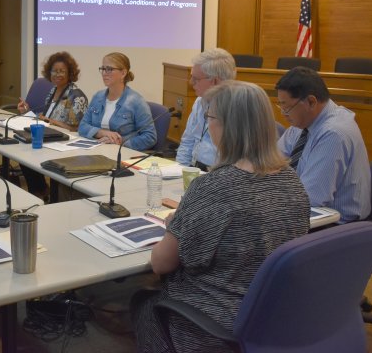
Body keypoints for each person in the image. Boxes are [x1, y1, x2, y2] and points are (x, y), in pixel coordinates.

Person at [131, 81, 310, 353]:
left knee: (143, 303)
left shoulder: (214, 187)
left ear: (229, 125)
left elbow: (161, 263)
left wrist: (178, 225)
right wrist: (185, 223)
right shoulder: (291, 180)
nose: (207, 126)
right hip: (274, 314)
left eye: (209, 118)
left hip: (215, 323)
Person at [275, 66, 371, 223]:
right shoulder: (304, 122)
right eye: (281, 107)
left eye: (287, 108)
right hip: (305, 207)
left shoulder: (333, 134)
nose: (283, 114)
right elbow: (273, 160)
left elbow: (308, 200)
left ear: (311, 102)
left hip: (334, 227)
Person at [18, 51, 88, 198]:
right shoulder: (52, 91)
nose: (57, 74)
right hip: (49, 136)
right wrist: (27, 111)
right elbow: (46, 118)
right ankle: (40, 190)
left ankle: (43, 192)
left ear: (70, 73)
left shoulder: (76, 96)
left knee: (29, 154)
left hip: (65, 143)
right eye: (54, 71)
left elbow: (77, 129)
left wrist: (53, 122)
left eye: (62, 71)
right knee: (21, 153)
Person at [78, 52, 156, 151]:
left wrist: (120, 141)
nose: (104, 73)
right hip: (96, 149)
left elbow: (150, 137)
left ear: (123, 73)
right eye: (102, 69)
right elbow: (82, 126)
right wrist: (102, 133)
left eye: (109, 69)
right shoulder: (98, 97)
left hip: (121, 154)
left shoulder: (136, 102)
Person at [175, 48, 236, 170]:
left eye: (196, 78)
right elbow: (188, 141)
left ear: (214, 81)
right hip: (194, 169)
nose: (191, 82)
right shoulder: (199, 101)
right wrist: (180, 170)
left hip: (219, 173)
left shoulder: (237, 107)